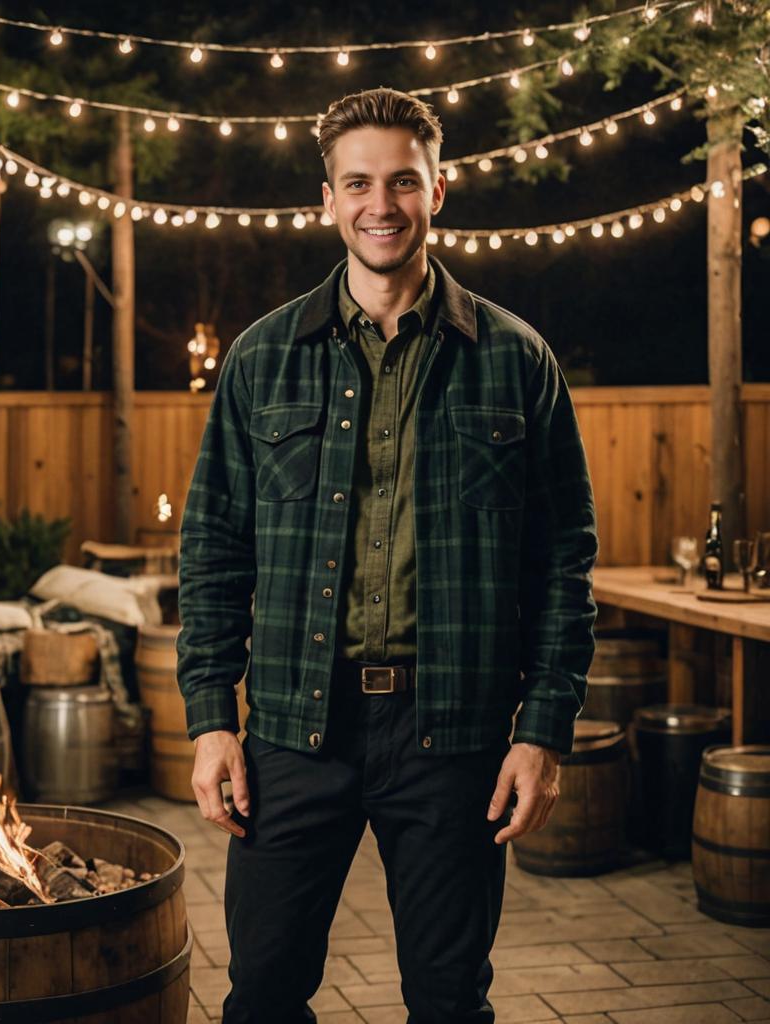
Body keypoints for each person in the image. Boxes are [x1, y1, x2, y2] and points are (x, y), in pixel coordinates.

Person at [177, 87, 598, 1024]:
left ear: (437, 190)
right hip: (293, 725)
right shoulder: (262, 359)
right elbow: (211, 549)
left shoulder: (516, 361)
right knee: (265, 992)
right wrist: (212, 718)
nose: (382, 204)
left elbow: (564, 558)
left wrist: (544, 730)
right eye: (357, 182)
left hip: (454, 730)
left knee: (450, 999)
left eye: (403, 181)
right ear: (326, 198)